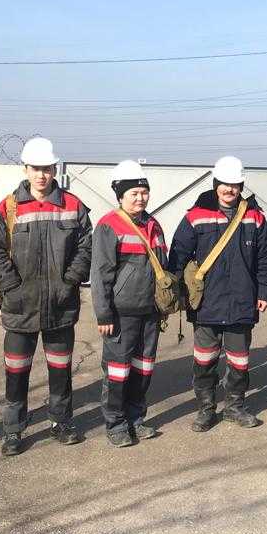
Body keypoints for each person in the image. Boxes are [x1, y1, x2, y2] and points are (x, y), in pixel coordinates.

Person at [0, 137, 92, 456]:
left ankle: (61, 422)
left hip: (61, 307)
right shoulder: (9, 207)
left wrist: (70, 280)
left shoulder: (72, 205)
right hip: (20, 308)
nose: (41, 175)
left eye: (47, 168)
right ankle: (13, 429)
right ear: (26, 169)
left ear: (55, 170)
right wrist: (11, 286)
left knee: (60, 371)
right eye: (36, 168)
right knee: (16, 373)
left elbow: (86, 246)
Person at [169, 156, 267, 432]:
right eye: (225, 184)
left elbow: (266, 258)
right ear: (216, 184)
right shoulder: (195, 216)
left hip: (242, 301)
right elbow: (178, 255)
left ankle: (234, 407)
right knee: (205, 360)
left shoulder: (254, 217)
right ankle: (206, 409)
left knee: (239, 360)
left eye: (235, 185)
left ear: (241, 186)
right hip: (206, 303)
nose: (230, 189)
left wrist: (265, 291)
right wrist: (177, 293)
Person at [90, 160, 167, 447]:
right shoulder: (108, 225)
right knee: (118, 371)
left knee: (143, 368)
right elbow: (100, 275)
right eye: (134, 193)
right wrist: (103, 314)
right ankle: (116, 424)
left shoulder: (154, 225)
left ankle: (136, 419)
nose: (140, 198)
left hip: (150, 312)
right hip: (120, 315)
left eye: (144, 192)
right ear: (120, 195)